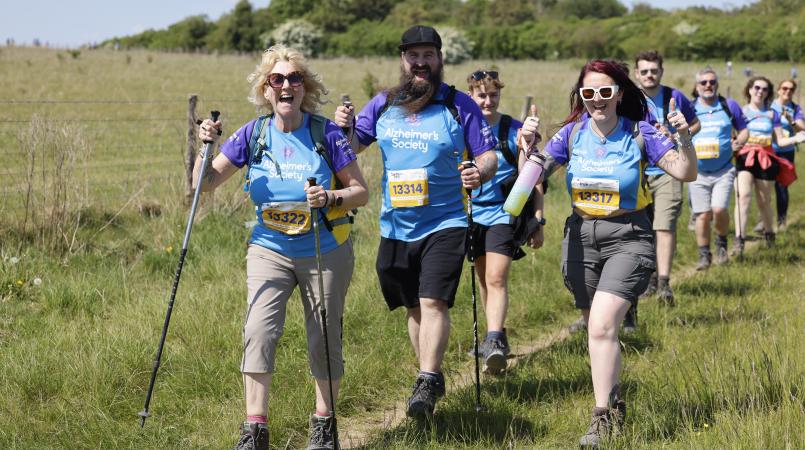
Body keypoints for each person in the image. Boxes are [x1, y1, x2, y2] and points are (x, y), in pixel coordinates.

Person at [196, 44, 369, 450]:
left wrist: (330, 197)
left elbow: (360, 192)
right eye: (278, 79)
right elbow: (201, 186)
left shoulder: (325, 133)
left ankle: (324, 426)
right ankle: (254, 430)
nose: (287, 85)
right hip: (268, 249)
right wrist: (203, 146)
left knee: (323, 336)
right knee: (258, 330)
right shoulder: (252, 134)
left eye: (295, 79)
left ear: (304, 87)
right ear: (266, 89)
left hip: (324, 247)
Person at [521, 59, 697, 447]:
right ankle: (615, 403)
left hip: (629, 235)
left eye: (604, 92)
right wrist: (526, 148)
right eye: (589, 93)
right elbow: (529, 179)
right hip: (581, 237)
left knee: (601, 326)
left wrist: (683, 138)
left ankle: (600, 418)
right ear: (581, 96)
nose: (597, 100)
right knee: (601, 330)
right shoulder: (569, 134)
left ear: (619, 93)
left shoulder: (641, 132)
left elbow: (685, 172)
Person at [334, 25, 498, 419]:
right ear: (403, 60)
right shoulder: (384, 103)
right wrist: (341, 129)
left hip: (446, 222)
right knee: (413, 306)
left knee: (433, 300)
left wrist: (478, 171)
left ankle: (426, 377)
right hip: (395, 225)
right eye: (413, 56)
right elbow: (350, 148)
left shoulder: (459, 104)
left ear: (440, 59)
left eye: (428, 55)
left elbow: (488, 155)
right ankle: (430, 375)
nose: (421, 63)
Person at [464, 69, 545, 374]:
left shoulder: (515, 129)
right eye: (481, 95)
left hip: (504, 212)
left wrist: (537, 220)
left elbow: (532, 174)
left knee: (497, 278)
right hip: (470, 214)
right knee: (484, 279)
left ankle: (495, 339)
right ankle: (493, 334)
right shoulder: (462, 128)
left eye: (493, 95)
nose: (487, 100)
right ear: (471, 96)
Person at [632, 50, 700, 308]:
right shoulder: (628, 99)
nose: (650, 75)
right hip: (637, 172)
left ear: (661, 71)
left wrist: (675, 134)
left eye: (654, 70)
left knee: (664, 225)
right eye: (644, 71)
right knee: (643, 229)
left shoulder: (675, 97)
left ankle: (663, 282)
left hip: (668, 170)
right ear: (637, 73)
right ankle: (647, 279)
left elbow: (695, 124)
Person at [687, 67, 748, 269]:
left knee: (719, 208)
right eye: (703, 82)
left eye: (712, 82)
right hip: (698, 171)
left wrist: (738, 141)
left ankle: (721, 242)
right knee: (702, 215)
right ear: (697, 86)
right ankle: (704, 254)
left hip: (723, 169)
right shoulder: (689, 107)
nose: (708, 86)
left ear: (717, 84)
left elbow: (744, 129)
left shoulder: (728, 105)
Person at [735, 76, 805, 251]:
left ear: (768, 93)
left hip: (766, 159)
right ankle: (739, 241)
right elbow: (733, 137)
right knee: (743, 197)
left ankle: (769, 235)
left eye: (765, 89)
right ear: (750, 89)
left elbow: (780, 141)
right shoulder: (740, 112)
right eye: (757, 87)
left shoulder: (772, 114)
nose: (760, 91)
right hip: (745, 158)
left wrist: (796, 138)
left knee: (764, 201)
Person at [770, 79, 804, 227]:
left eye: (791, 89)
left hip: (786, 152)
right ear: (778, 90)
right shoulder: (769, 106)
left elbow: (802, 131)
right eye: (784, 88)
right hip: (768, 150)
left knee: (782, 186)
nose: (787, 91)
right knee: (763, 185)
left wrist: (791, 120)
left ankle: (781, 221)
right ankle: (762, 219)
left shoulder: (796, 109)